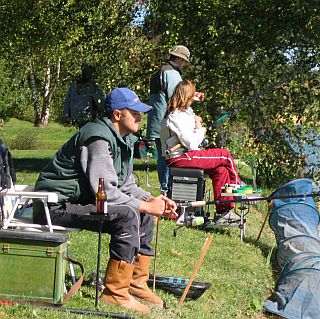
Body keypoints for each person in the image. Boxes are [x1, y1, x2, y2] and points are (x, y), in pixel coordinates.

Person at [34, 88, 177, 314]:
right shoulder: (98, 138)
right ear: (117, 115)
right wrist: (144, 205)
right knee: (127, 215)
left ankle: (135, 283)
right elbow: (107, 193)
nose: (140, 116)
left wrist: (151, 199)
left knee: (143, 213)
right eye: (135, 112)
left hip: (77, 201)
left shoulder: (123, 139)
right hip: (53, 205)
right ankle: (115, 293)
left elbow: (125, 184)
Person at [160, 80, 242, 219]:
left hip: (185, 155)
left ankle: (224, 211)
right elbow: (191, 143)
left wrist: (195, 99)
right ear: (186, 97)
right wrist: (200, 129)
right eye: (192, 94)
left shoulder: (183, 112)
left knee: (220, 170)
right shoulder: (176, 117)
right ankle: (238, 187)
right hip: (180, 158)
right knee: (225, 155)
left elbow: (189, 114)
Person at [147, 45, 204, 194]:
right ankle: (173, 193)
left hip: (157, 122)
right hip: (169, 126)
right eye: (184, 61)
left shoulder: (159, 72)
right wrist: (193, 117)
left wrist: (194, 95)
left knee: (163, 158)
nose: (184, 64)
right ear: (179, 58)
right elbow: (178, 100)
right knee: (172, 159)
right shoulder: (172, 74)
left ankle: (165, 191)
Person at [62, 63, 105, 128]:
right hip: (79, 118)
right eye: (84, 71)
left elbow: (100, 103)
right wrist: (66, 115)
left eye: (88, 71)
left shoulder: (94, 87)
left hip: (90, 119)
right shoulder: (75, 86)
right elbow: (68, 100)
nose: (86, 73)